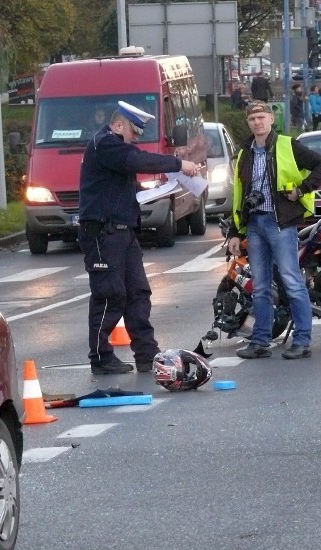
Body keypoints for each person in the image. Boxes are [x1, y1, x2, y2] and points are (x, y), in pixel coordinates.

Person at [78, 101, 198, 374]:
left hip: (123, 231)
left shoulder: (115, 148)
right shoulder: (105, 144)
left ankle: (147, 353)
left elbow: (127, 171)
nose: (136, 139)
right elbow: (136, 160)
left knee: (138, 293)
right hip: (103, 233)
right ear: (118, 125)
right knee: (110, 295)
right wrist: (177, 163)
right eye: (134, 132)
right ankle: (100, 357)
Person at [225, 101, 321, 359]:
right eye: (252, 119)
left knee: (291, 281)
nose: (257, 123)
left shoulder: (286, 145)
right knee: (260, 286)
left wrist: (302, 189)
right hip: (254, 224)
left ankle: (302, 340)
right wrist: (235, 233)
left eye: (261, 117)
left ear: (271, 119)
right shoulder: (244, 153)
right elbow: (239, 195)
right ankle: (260, 341)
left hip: (280, 222)